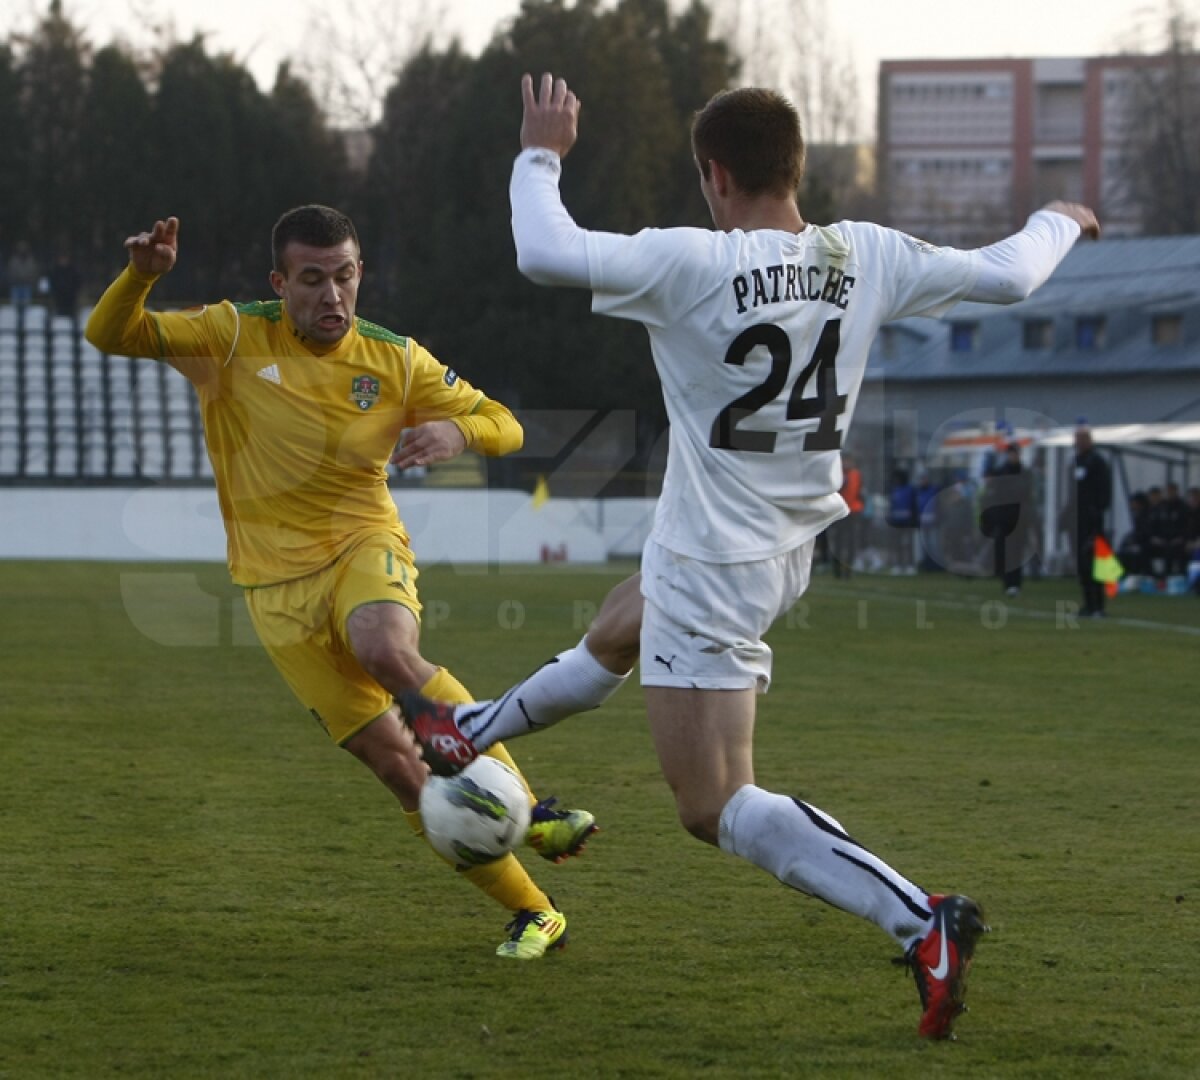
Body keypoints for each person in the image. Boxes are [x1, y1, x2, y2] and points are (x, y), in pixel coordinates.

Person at [402, 73, 1099, 1038]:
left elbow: (543, 250)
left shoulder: (693, 262)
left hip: (711, 565)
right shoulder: (868, 254)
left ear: (714, 174)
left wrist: (541, 151)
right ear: (795, 167)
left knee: (714, 803)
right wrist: (1058, 215)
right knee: (618, 622)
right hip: (783, 548)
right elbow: (1012, 274)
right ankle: (468, 733)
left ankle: (920, 923)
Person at [84, 206, 598, 960]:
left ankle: (531, 806)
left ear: (361, 275)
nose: (333, 296)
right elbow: (110, 334)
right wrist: (142, 278)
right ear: (280, 283)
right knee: (398, 768)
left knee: (384, 644)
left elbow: (506, 424)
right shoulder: (230, 335)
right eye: (314, 279)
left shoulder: (393, 358)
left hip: (362, 540)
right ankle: (535, 911)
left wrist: (459, 430)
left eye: (346, 276)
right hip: (271, 588)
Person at [1066, 427, 1112, 615]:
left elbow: (1105, 490)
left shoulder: (1097, 462)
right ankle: (1088, 603)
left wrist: (1097, 511)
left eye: (1081, 439)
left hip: (1093, 521)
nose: (1078, 442)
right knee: (1082, 565)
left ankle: (1099, 605)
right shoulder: (1076, 461)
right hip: (1078, 520)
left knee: (1095, 563)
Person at [979, 443, 1034, 596]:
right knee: (1005, 552)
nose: (1013, 456)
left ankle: (1015, 583)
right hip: (1004, 520)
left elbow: (1028, 496)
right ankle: (1007, 581)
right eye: (1011, 453)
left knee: (1017, 552)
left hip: (1020, 519)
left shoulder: (1025, 473)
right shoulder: (1002, 472)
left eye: (1015, 453)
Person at [830, 451, 864, 577]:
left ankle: (848, 570)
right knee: (838, 541)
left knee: (851, 542)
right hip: (840, 511)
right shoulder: (838, 474)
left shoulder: (856, 474)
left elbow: (860, 492)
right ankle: (837, 570)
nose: (847, 463)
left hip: (853, 511)